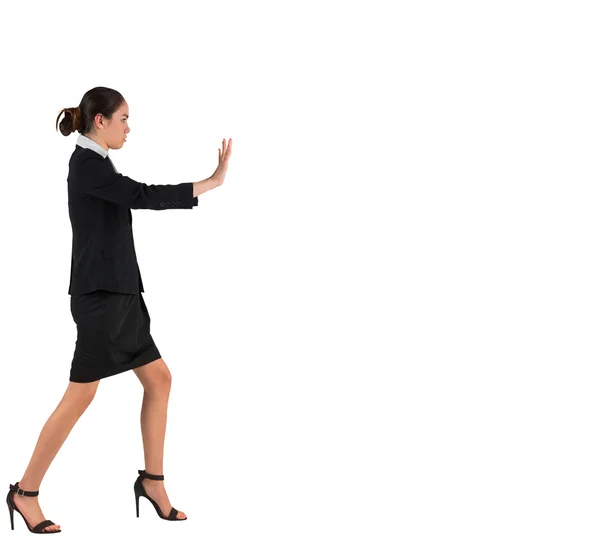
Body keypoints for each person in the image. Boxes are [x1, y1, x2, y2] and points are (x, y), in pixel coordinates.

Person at [5, 86, 232, 534]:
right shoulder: (86, 165)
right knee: (81, 394)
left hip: (122, 295)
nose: (129, 127)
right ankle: (25, 492)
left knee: (159, 378)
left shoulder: (98, 162)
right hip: (100, 299)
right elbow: (140, 194)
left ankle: (153, 482)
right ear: (100, 122)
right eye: (124, 118)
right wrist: (210, 183)